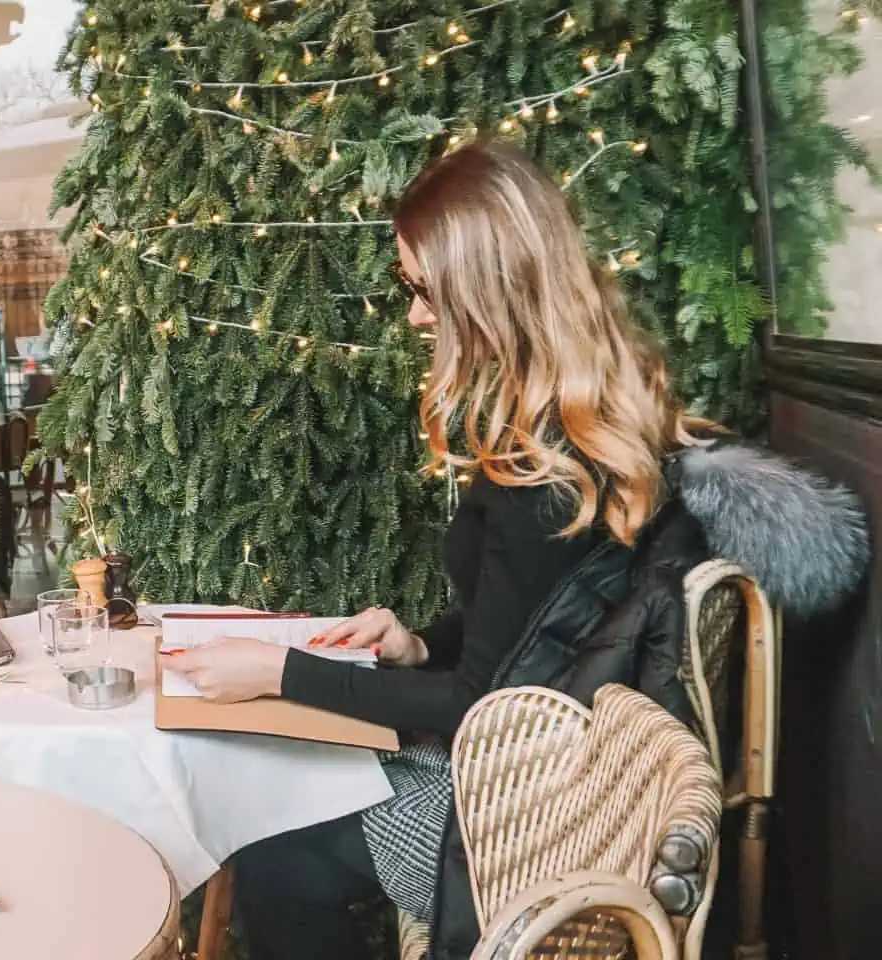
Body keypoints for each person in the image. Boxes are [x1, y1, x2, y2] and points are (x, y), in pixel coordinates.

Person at [164, 140, 868, 960]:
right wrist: (419, 642)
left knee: (276, 842)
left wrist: (278, 674)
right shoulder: (592, 429)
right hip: (572, 776)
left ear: (488, 289)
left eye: (426, 291)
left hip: (537, 828)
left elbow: (475, 709)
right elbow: (547, 625)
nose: (418, 316)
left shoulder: (542, 471)